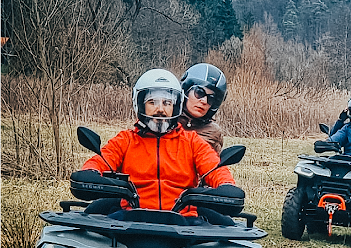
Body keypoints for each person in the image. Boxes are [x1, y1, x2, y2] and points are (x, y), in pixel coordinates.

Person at [78, 68, 239, 219]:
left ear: (176, 106)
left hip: (182, 221)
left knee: (232, 237)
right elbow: (103, 159)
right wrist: (91, 171)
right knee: (84, 228)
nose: (160, 109)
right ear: (140, 104)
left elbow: (214, 167)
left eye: (167, 103)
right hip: (130, 218)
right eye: (152, 102)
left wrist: (226, 185)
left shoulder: (192, 142)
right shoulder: (125, 140)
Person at [178, 63, 228, 154]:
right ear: (186, 91)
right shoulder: (167, 122)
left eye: (211, 98)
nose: (204, 101)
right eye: (199, 92)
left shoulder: (213, 132)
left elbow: (214, 165)